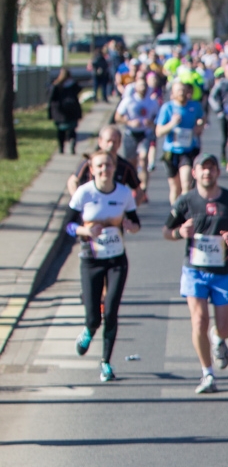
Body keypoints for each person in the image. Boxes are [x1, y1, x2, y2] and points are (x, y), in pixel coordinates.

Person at [163, 154, 228, 393]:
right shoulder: (186, 201)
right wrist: (180, 232)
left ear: (217, 172)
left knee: (225, 327)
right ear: (194, 173)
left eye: (211, 169)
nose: (207, 173)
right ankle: (208, 373)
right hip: (195, 271)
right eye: (203, 169)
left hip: (225, 271)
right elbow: (167, 231)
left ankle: (219, 337)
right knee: (199, 321)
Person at [66, 149, 141, 382]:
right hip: (91, 260)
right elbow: (68, 226)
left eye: (108, 165)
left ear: (114, 168)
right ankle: (88, 330)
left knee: (110, 312)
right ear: (92, 170)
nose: (104, 170)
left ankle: (106, 362)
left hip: (117, 259)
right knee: (93, 316)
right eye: (99, 166)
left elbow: (136, 223)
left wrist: (130, 225)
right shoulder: (83, 193)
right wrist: (85, 230)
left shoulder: (124, 193)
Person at [156, 80, 205, 204]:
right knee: (175, 187)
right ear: (173, 93)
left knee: (186, 184)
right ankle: (176, 213)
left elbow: (202, 119)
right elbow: (159, 132)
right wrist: (172, 123)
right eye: (179, 91)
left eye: (184, 90)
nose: (182, 93)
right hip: (171, 151)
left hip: (188, 150)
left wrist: (199, 125)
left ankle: (185, 212)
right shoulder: (168, 108)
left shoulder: (195, 106)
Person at [67, 125, 143, 201]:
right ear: (100, 141)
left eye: (114, 142)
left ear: (119, 143)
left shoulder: (125, 167)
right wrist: (77, 201)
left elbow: (139, 189)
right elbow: (72, 181)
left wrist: (130, 208)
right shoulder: (89, 162)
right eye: (108, 141)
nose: (111, 145)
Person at [115, 79, 161, 183]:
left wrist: (151, 123)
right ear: (135, 88)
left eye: (145, 86)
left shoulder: (152, 102)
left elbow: (158, 119)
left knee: (143, 159)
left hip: (145, 134)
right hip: (130, 133)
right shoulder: (128, 101)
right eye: (140, 86)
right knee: (131, 163)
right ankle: (134, 184)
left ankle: (144, 187)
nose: (143, 88)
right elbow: (117, 117)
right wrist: (129, 122)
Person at [48, 67, 83, 155]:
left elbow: (51, 98)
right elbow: (79, 89)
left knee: (61, 131)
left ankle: (61, 147)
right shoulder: (73, 85)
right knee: (72, 130)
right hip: (72, 111)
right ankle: (72, 143)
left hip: (60, 112)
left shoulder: (56, 85)